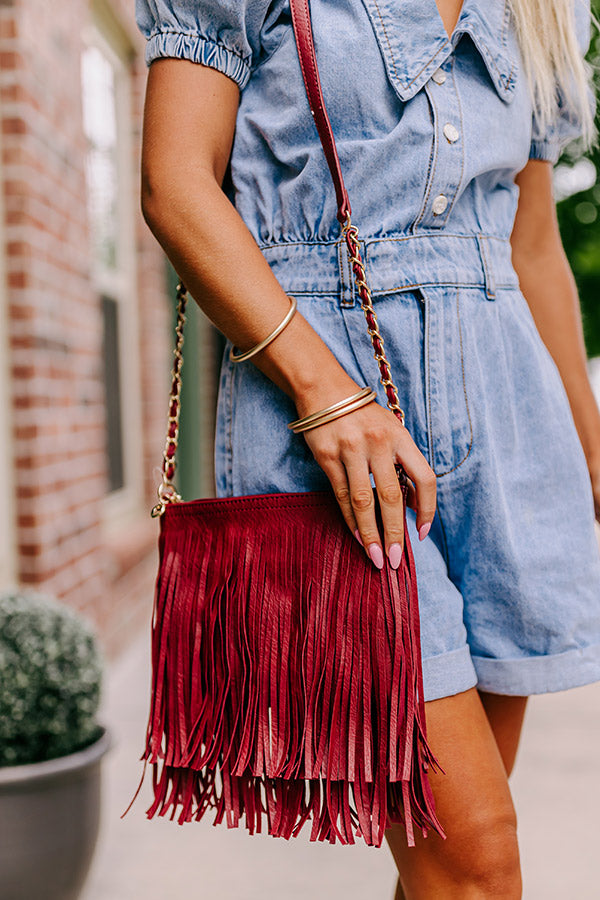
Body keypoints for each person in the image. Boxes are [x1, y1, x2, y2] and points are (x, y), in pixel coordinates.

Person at [134, 0, 600, 896]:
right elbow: (175, 184)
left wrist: (589, 451)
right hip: (336, 448)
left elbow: (533, 246)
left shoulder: (546, 10)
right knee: (477, 860)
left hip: (509, 430)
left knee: (442, 867)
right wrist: (325, 395)